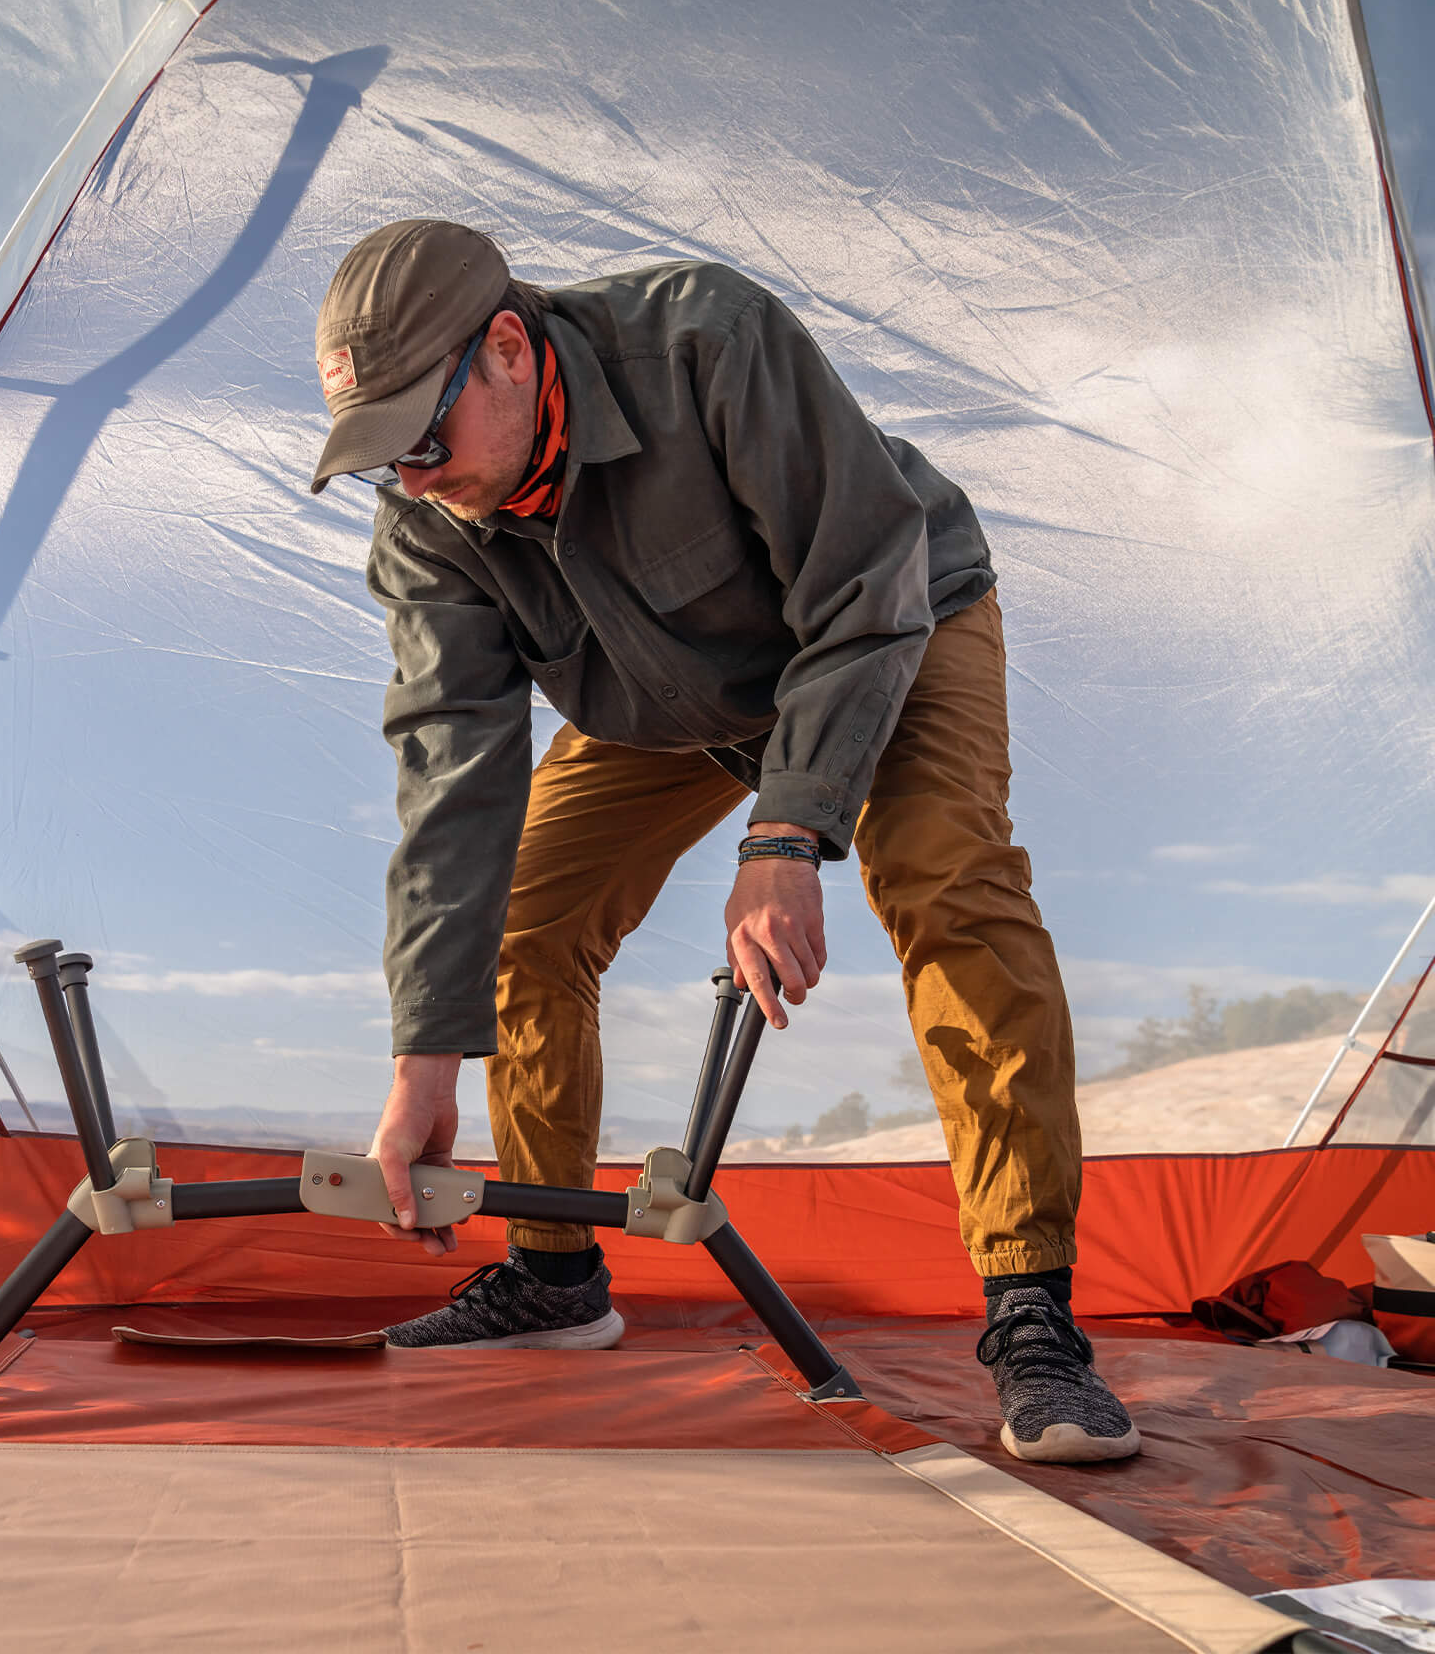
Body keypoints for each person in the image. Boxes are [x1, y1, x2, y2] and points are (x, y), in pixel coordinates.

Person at [308, 218, 1139, 1465]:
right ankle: (551, 1277)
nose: (415, 479)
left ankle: (1031, 1312)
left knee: (944, 883)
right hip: (661, 705)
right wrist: (424, 1052)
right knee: (520, 921)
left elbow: (861, 582)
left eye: (421, 438)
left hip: (891, 618)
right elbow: (449, 777)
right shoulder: (428, 525)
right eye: (384, 460)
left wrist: (788, 832)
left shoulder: (704, 339)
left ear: (507, 350)